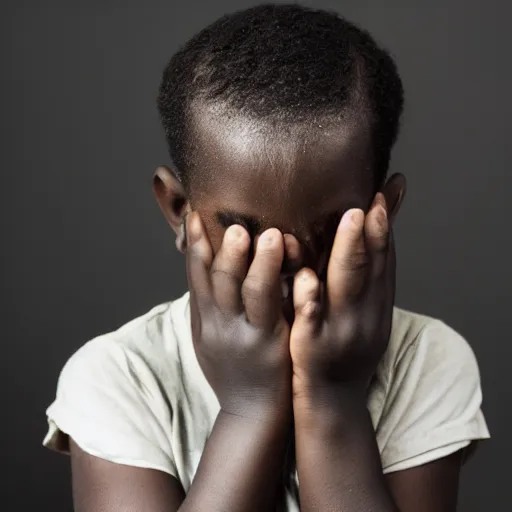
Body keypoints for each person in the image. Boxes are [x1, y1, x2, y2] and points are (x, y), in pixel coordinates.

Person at [43, 4, 490, 511]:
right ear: (177, 208)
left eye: (328, 229)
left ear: (381, 213)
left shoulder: (426, 360)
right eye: (242, 232)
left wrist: (335, 399)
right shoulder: (118, 377)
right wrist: (248, 407)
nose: (288, 266)